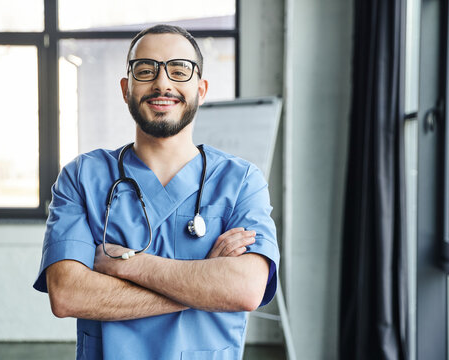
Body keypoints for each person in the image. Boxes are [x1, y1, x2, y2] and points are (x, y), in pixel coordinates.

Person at [33, 24, 280, 360]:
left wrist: (125, 265)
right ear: (126, 88)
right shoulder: (82, 177)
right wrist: (204, 283)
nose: (163, 83)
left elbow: (247, 289)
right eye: (146, 70)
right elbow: (67, 295)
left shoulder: (241, 182)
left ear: (201, 89)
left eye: (179, 71)